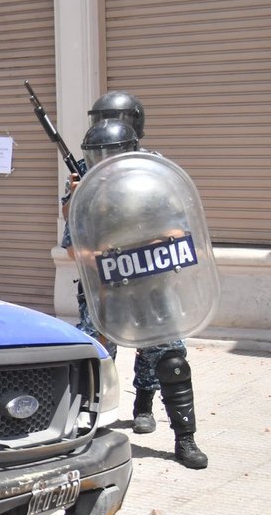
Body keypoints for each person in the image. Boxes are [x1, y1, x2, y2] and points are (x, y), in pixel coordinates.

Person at [65, 101, 207, 471]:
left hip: (152, 284)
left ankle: (184, 437)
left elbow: (180, 231)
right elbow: (72, 250)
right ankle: (85, 434)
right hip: (105, 289)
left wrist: (138, 243)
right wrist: (78, 209)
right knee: (92, 359)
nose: (106, 159)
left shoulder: (152, 174)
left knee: (171, 358)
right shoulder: (83, 181)